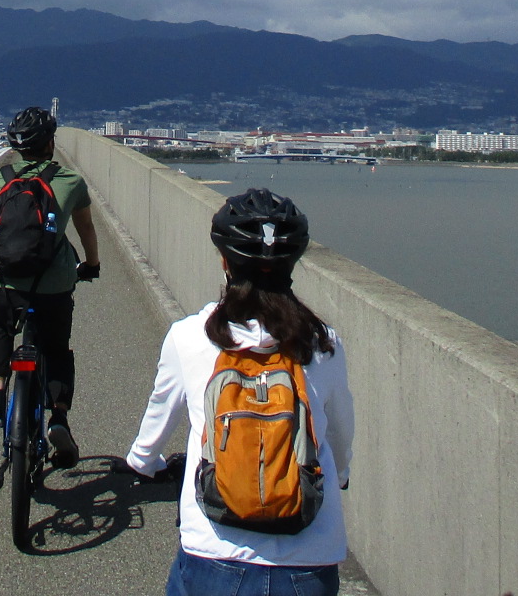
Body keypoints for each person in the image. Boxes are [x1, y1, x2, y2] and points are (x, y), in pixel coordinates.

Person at [123, 188, 355, 596]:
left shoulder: (190, 338)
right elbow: (340, 433)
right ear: (292, 264)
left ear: (225, 261)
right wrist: (344, 475)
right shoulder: (323, 343)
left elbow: (155, 424)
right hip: (309, 561)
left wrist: (144, 461)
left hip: (215, 552)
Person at [0, 106, 101, 463]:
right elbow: (86, 230)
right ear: (50, 143)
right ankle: (58, 415)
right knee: (57, 348)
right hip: (53, 283)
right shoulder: (70, 182)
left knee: (0, 325)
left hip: (5, 283)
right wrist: (91, 264)